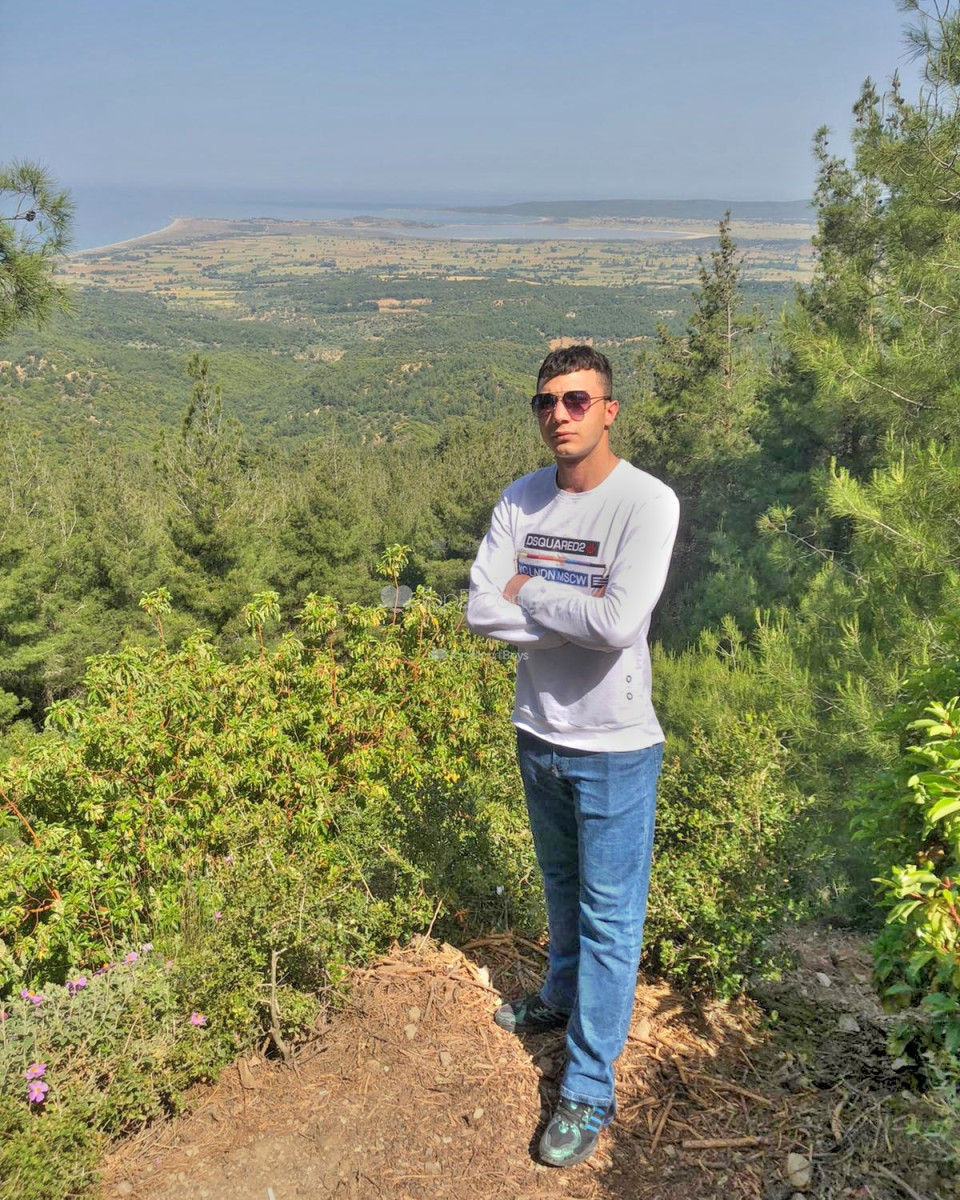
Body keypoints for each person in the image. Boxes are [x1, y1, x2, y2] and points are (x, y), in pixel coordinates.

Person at [466, 344, 679, 1167]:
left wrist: (529, 591)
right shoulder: (520, 498)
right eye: (546, 402)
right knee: (559, 888)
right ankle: (559, 995)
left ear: (609, 409)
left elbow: (619, 624)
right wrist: (570, 614)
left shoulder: (645, 503)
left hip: (616, 745)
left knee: (610, 919)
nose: (560, 414)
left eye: (577, 400)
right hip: (538, 730)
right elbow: (480, 610)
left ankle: (588, 1086)